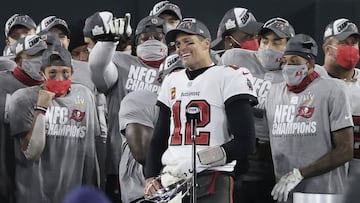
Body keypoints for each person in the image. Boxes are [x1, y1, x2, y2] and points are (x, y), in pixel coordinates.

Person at [144, 18, 258, 203]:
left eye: (189, 42)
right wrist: (150, 175)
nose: (182, 48)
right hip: (172, 179)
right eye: (178, 44)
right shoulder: (172, 80)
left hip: (212, 176)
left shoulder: (229, 76)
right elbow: (159, 138)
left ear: (206, 44)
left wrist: (199, 160)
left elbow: (246, 142)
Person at [88, 12, 167, 202]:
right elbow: (98, 70)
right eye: (145, 37)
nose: (151, 41)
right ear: (136, 41)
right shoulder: (121, 62)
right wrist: (108, 42)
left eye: (158, 37)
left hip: (169, 162)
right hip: (122, 161)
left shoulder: (177, 69)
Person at [266, 33, 354, 203]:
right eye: (285, 61)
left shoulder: (333, 89)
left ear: (310, 64)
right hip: (284, 191)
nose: (288, 66)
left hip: (324, 193)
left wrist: (300, 173)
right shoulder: (273, 93)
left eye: (294, 62)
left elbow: (345, 150)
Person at [218, 17, 296, 203]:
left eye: (277, 42)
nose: (269, 47)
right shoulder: (235, 58)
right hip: (237, 155)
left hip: (274, 157)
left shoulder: (296, 73)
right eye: (265, 41)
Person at [8, 45, 100, 203]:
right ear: (41, 73)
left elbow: (91, 150)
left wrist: (95, 189)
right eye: (52, 73)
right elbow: (32, 152)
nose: (59, 79)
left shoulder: (85, 96)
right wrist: (41, 108)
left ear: (72, 73)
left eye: (65, 72)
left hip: (74, 195)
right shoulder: (24, 99)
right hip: (34, 195)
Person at [118, 54, 185, 203]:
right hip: (146, 193)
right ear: (161, 82)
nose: (182, 82)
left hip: (193, 191)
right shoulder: (141, 100)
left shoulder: (207, 106)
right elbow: (144, 154)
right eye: (176, 76)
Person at [0, 34, 47, 203]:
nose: (40, 60)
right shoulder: (1, 83)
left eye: (43, 54)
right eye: (33, 56)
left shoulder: (53, 89)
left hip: (39, 182)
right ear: (19, 60)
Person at [322, 18, 360, 175]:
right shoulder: (312, 81)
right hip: (323, 171)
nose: (350, 48)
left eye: (353, 43)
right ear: (327, 49)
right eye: (343, 43)